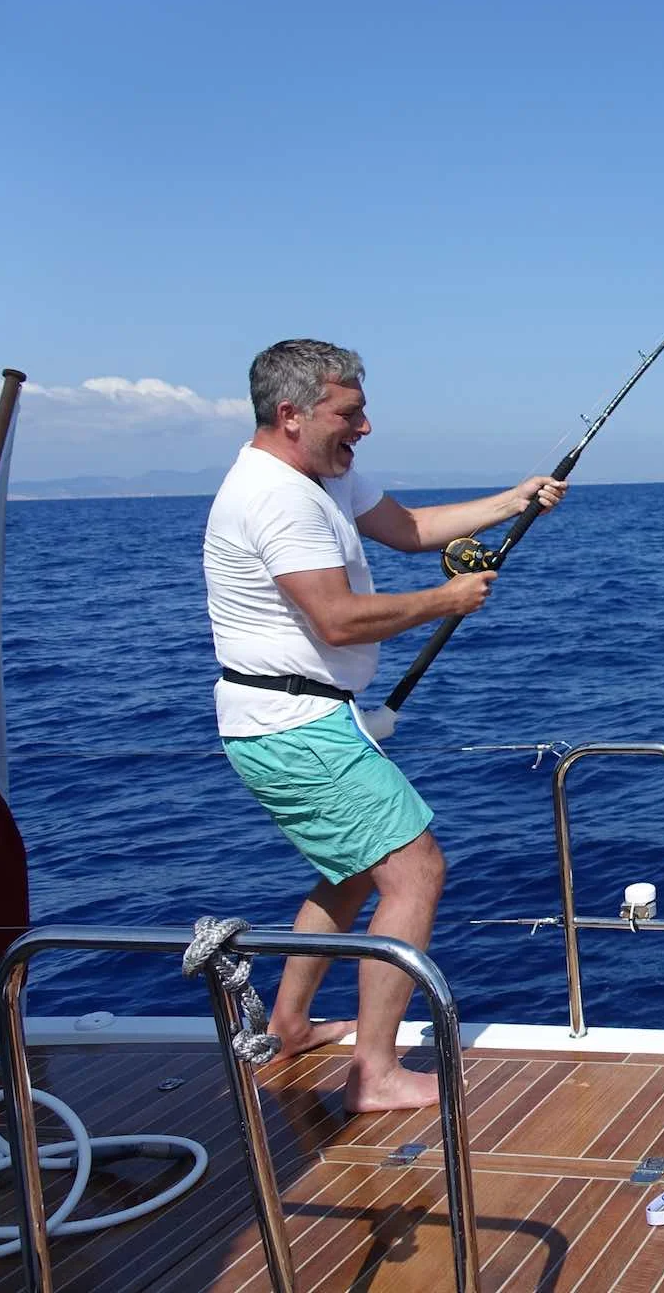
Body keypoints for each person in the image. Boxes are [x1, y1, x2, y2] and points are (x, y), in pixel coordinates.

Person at [203, 338, 566, 1113]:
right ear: (292, 414)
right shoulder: (279, 496)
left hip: (300, 717)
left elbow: (407, 528)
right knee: (415, 868)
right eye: (351, 412)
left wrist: (516, 499)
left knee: (355, 867)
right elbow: (336, 620)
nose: (365, 426)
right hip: (292, 723)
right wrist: (445, 600)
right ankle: (375, 1072)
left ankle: (291, 1023)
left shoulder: (321, 475)